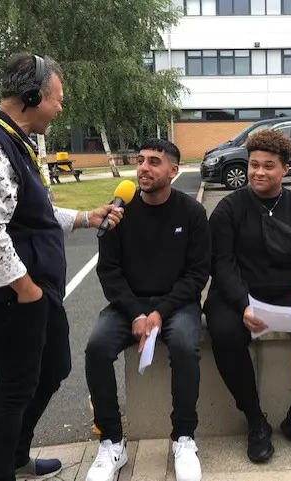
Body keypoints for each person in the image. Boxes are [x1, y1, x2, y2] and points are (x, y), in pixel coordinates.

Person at [0, 53, 123, 481]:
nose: (60, 108)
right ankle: (0, 472)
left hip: (31, 295)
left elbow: (30, 211)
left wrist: (84, 218)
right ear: (31, 97)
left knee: (52, 368)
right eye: (55, 99)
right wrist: (25, 289)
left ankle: (17, 457)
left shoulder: (12, 139)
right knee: (14, 388)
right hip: (10, 299)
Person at [204, 129, 291, 463]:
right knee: (222, 331)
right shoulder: (228, 209)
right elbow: (221, 263)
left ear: (285, 170)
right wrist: (241, 302)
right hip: (240, 293)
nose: (259, 173)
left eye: (268, 166)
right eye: (253, 165)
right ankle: (255, 420)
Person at [85, 138, 210, 481]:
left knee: (185, 346)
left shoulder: (192, 212)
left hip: (177, 305)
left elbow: (198, 272)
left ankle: (183, 437)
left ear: (173, 171)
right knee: (96, 348)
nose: (143, 168)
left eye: (154, 161)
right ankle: (112, 441)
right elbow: (108, 271)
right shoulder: (119, 211)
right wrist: (137, 314)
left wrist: (160, 313)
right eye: (140, 160)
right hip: (129, 305)